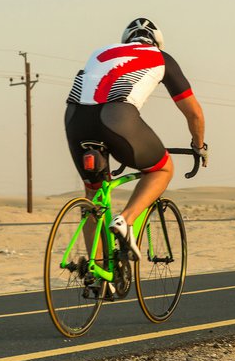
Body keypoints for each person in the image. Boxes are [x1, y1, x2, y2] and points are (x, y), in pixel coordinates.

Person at [64, 18, 207, 260]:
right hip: (117, 117)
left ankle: (97, 272)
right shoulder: (161, 57)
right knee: (161, 169)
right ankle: (126, 220)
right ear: (156, 43)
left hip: (75, 118)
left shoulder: (101, 51)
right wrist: (199, 146)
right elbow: (194, 113)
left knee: (94, 193)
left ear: (126, 41)